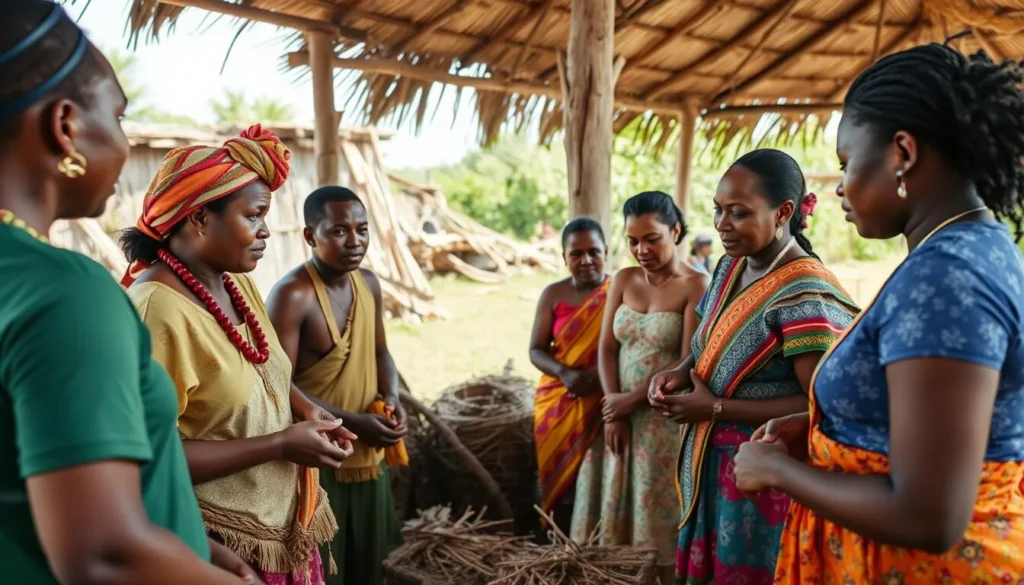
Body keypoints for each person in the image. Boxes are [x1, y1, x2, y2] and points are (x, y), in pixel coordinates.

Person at [733, 44, 1024, 583]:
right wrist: (826, 428)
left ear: (903, 153)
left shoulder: (947, 281)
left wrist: (779, 471)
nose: (840, 187)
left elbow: (929, 514)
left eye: (847, 164)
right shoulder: (966, 250)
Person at [0, 3, 260, 584]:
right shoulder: (66, 293)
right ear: (64, 125)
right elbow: (105, 556)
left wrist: (183, 539)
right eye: (118, 117)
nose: (123, 140)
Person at [120, 126, 356, 585]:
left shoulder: (234, 283)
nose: (267, 230)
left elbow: (262, 372)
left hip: (280, 525)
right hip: (216, 544)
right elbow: (146, 456)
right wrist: (280, 444)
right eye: (255, 215)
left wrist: (306, 409)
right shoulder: (156, 311)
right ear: (200, 219)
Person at [648, 149, 858, 585]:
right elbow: (707, 340)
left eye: (738, 213)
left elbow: (816, 405)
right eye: (718, 211)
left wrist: (717, 409)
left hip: (761, 472)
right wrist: (680, 371)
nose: (722, 225)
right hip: (709, 458)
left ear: (783, 212)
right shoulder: (730, 266)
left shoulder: (806, 294)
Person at [267, 186, 405, 585]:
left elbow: (381, 352)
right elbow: (277, 386)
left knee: (371, 563)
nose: (355, 241)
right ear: (311, 236)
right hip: (320, 458)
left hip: (368, 455)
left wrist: (391, 397)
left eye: (362, 230)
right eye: (340, 231)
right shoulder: (294, 295)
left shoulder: (369, 284)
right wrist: (354, 423)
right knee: (326, 569)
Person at [571, 191, 708, 585]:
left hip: (662, 424)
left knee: (655, 522)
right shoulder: (625, 279)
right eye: (632, 240)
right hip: (619, 418)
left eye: (652, 239)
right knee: (615, 514)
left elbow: (686, 363)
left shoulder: (695, 284)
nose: (641, 249)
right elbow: (607, 347)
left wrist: (628, 403)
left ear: (676, 231)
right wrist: (612, 409)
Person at [528, 217, 610, 532]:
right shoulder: (553, 294)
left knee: (596, 476)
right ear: (564, 258)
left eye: (593, 251)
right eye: (576, 254)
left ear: (606, 251)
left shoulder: (619, 291)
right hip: (559, 399)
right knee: (559, 481)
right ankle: (559, 541)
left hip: (604, 398)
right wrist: (565, 374)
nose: (586, 260)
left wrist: (595, 378)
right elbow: (536, 349)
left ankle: (598, 538)